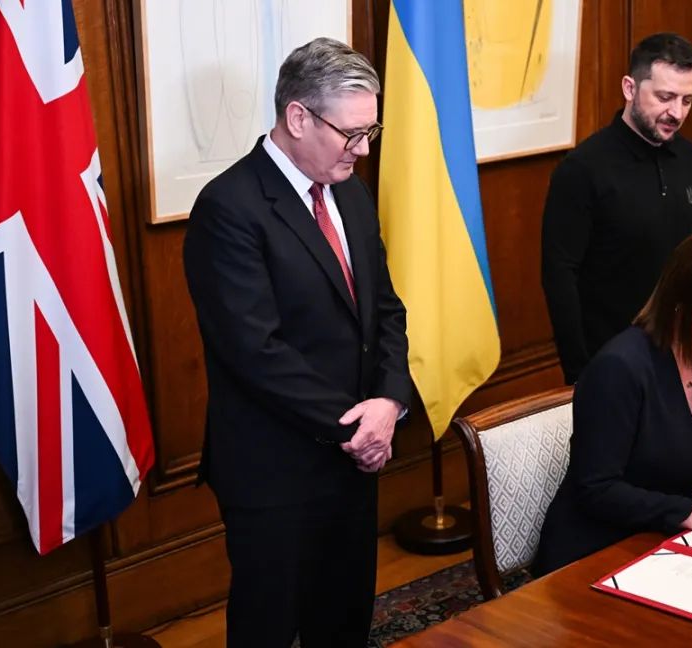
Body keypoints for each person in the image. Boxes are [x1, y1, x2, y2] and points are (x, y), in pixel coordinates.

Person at [182, 38, 412, 647]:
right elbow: (255, 349)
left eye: (372, 131)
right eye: (352, 133)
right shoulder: (228, 208)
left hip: (357, 454)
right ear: (299, 117)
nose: (364, 150)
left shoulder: (352, 192)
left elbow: (385, 309)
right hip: (274, 470)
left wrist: (389, 404)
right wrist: (355, 429)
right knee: (268, 627)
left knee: (343, 621)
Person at [531, 228, 692, 577]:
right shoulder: (618, 368)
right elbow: (596, 490)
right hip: (590, 555)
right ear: (680, 303)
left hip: (656, 541)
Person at [541, 32, 692, 384]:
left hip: (682, 353)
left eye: (687, 100)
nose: (676, 113)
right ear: (630, 88)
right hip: (610, 361)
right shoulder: (583, 169)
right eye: (665, 97)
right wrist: (579, 372)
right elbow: (560, 275)